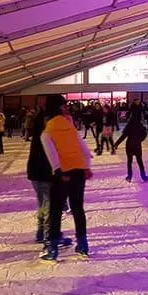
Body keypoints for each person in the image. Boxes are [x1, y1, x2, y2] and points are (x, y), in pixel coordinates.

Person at [40, 95, 94, 261]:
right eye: (64, 105)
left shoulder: (48, 130)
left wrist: (59, 171)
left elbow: (52, 153)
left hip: (63, 173)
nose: (66, 108)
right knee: (77, 207)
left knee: (56, 210)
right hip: (78, 170)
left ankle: (53, 249)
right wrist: (86, 166)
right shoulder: (70, 126)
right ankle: (83, 245)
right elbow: (82, 146)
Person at [26, 111, 73, 248]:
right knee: (49, 207)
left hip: (37, 174)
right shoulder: (46, 135)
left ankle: (41, 234)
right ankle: (49, 237)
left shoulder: (40, 133)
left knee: (43, 205)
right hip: (43, 174)